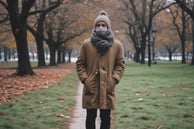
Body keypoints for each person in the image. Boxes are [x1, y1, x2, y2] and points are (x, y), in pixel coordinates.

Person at [76, 10, 125, 129]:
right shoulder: (86, 44)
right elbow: (80, 64)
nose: (101, 27)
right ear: (95, 26)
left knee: (106, 118)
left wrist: (114, 80)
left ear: (108, 27)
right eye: (98, 25)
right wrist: (85, 79)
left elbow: (120, 64)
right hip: (91, 85)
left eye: (103, 25)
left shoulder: (117, 45)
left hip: (107, 86)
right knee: (90, 117)